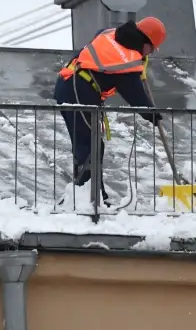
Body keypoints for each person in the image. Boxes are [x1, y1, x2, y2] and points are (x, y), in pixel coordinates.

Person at [54, 17, 167, 205]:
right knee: (89, 146)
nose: (152, 52)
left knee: (90, 144)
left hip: (71, 85)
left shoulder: (112, 34)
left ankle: (91, 195)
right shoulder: (127, 60)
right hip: (77, 90)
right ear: (145, 43)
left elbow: (100, 36)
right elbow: (134, 95)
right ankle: (86, 199)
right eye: (152, 48)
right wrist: (151, 114)